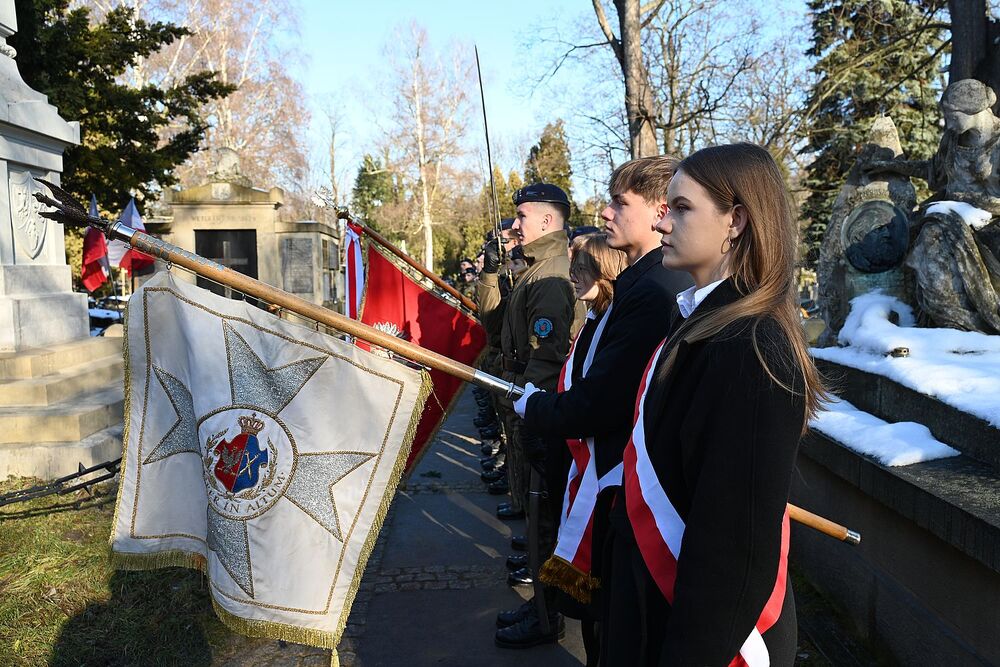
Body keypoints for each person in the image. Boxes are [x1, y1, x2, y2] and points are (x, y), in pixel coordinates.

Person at [602, 143, 826, 666]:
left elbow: (732, 548)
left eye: (681, 208)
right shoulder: (704, 324)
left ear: (736, 221)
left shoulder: (750, 347)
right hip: (657, 601)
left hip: (705, 636)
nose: (662, 225)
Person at [504, 156, 692, 659]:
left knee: (616, 635)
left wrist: (539, 410)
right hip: (606, 478)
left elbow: (605, 401)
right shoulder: (640, 284)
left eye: (618, 203)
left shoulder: (652, 292)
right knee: (603, 627)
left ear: (657, 210)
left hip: (622, 486)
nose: (606, 213)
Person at [480, 183, 582, 648]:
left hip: (537, 403)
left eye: (522, 216)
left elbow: (548, 354)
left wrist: (531, 408)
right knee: (539, 516)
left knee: (546, 519)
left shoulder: (551, 273)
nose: (515, 226)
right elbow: (503, 329)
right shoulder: (536, 267)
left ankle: (547, 617)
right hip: (529, 398)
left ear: (546, 220)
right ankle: (541, 607)